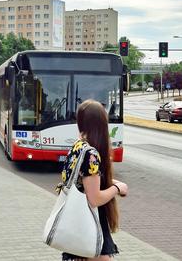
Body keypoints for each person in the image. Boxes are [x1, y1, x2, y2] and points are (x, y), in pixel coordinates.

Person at [59, 100, 128, 261]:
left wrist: (113, 182)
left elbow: (85, 179)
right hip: (88, 225)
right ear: (102, 124)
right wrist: (118, 189)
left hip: (76, 223)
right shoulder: (91, 154)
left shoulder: (78, 147)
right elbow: (95, 199)